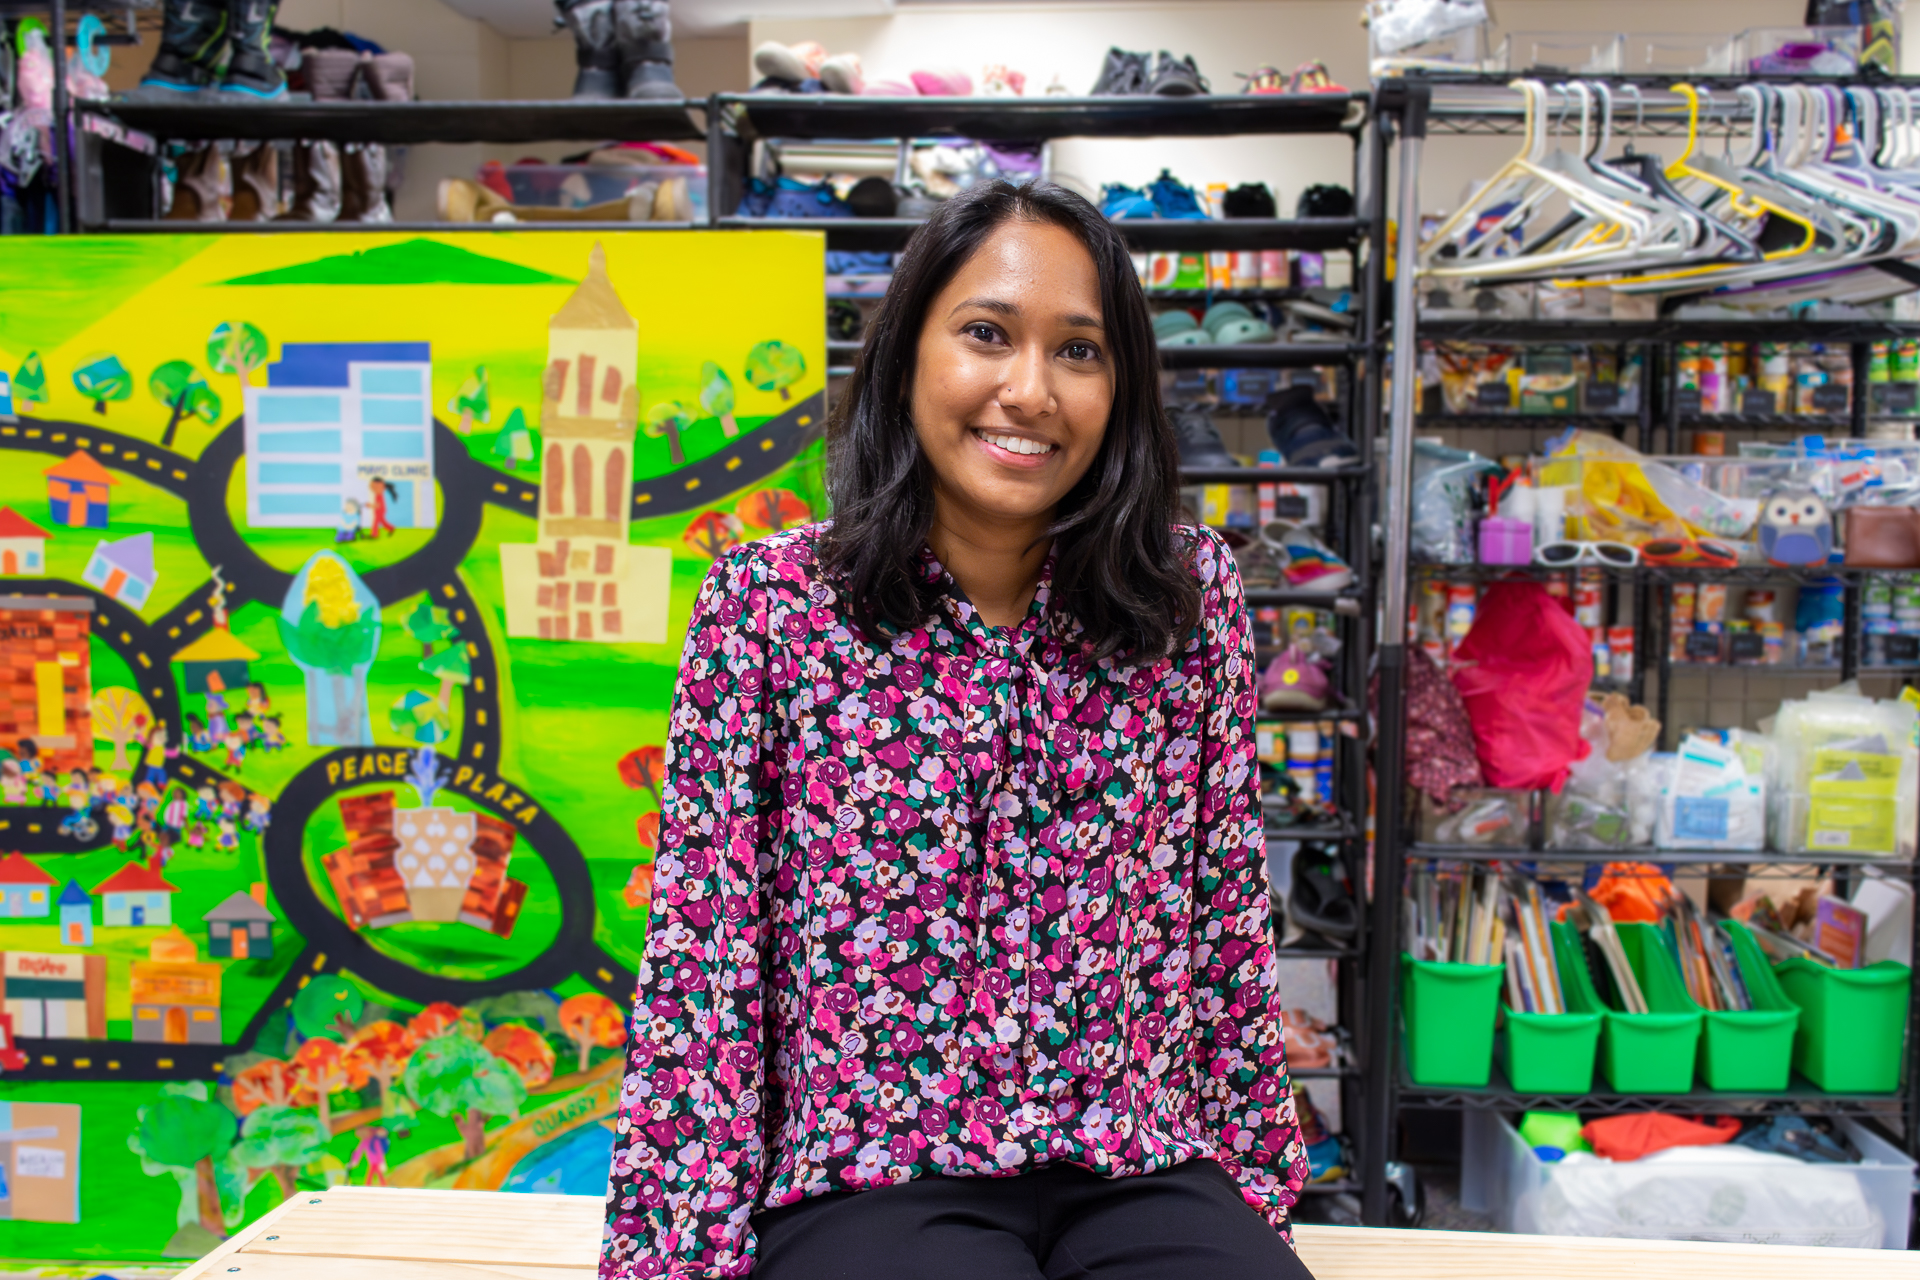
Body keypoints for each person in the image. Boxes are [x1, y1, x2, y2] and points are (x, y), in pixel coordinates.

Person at [602, 180, 1313, 1280]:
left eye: (1078, 350)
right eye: (986, 333)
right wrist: (677, 1254)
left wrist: (1254, 1188)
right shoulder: (771, 602)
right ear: (907, 356)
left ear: (1121, 386)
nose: (1028, 390)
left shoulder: (1186, 595)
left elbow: (1223, 905)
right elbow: (705, 954)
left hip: (1134, 1156)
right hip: (878, 1168)